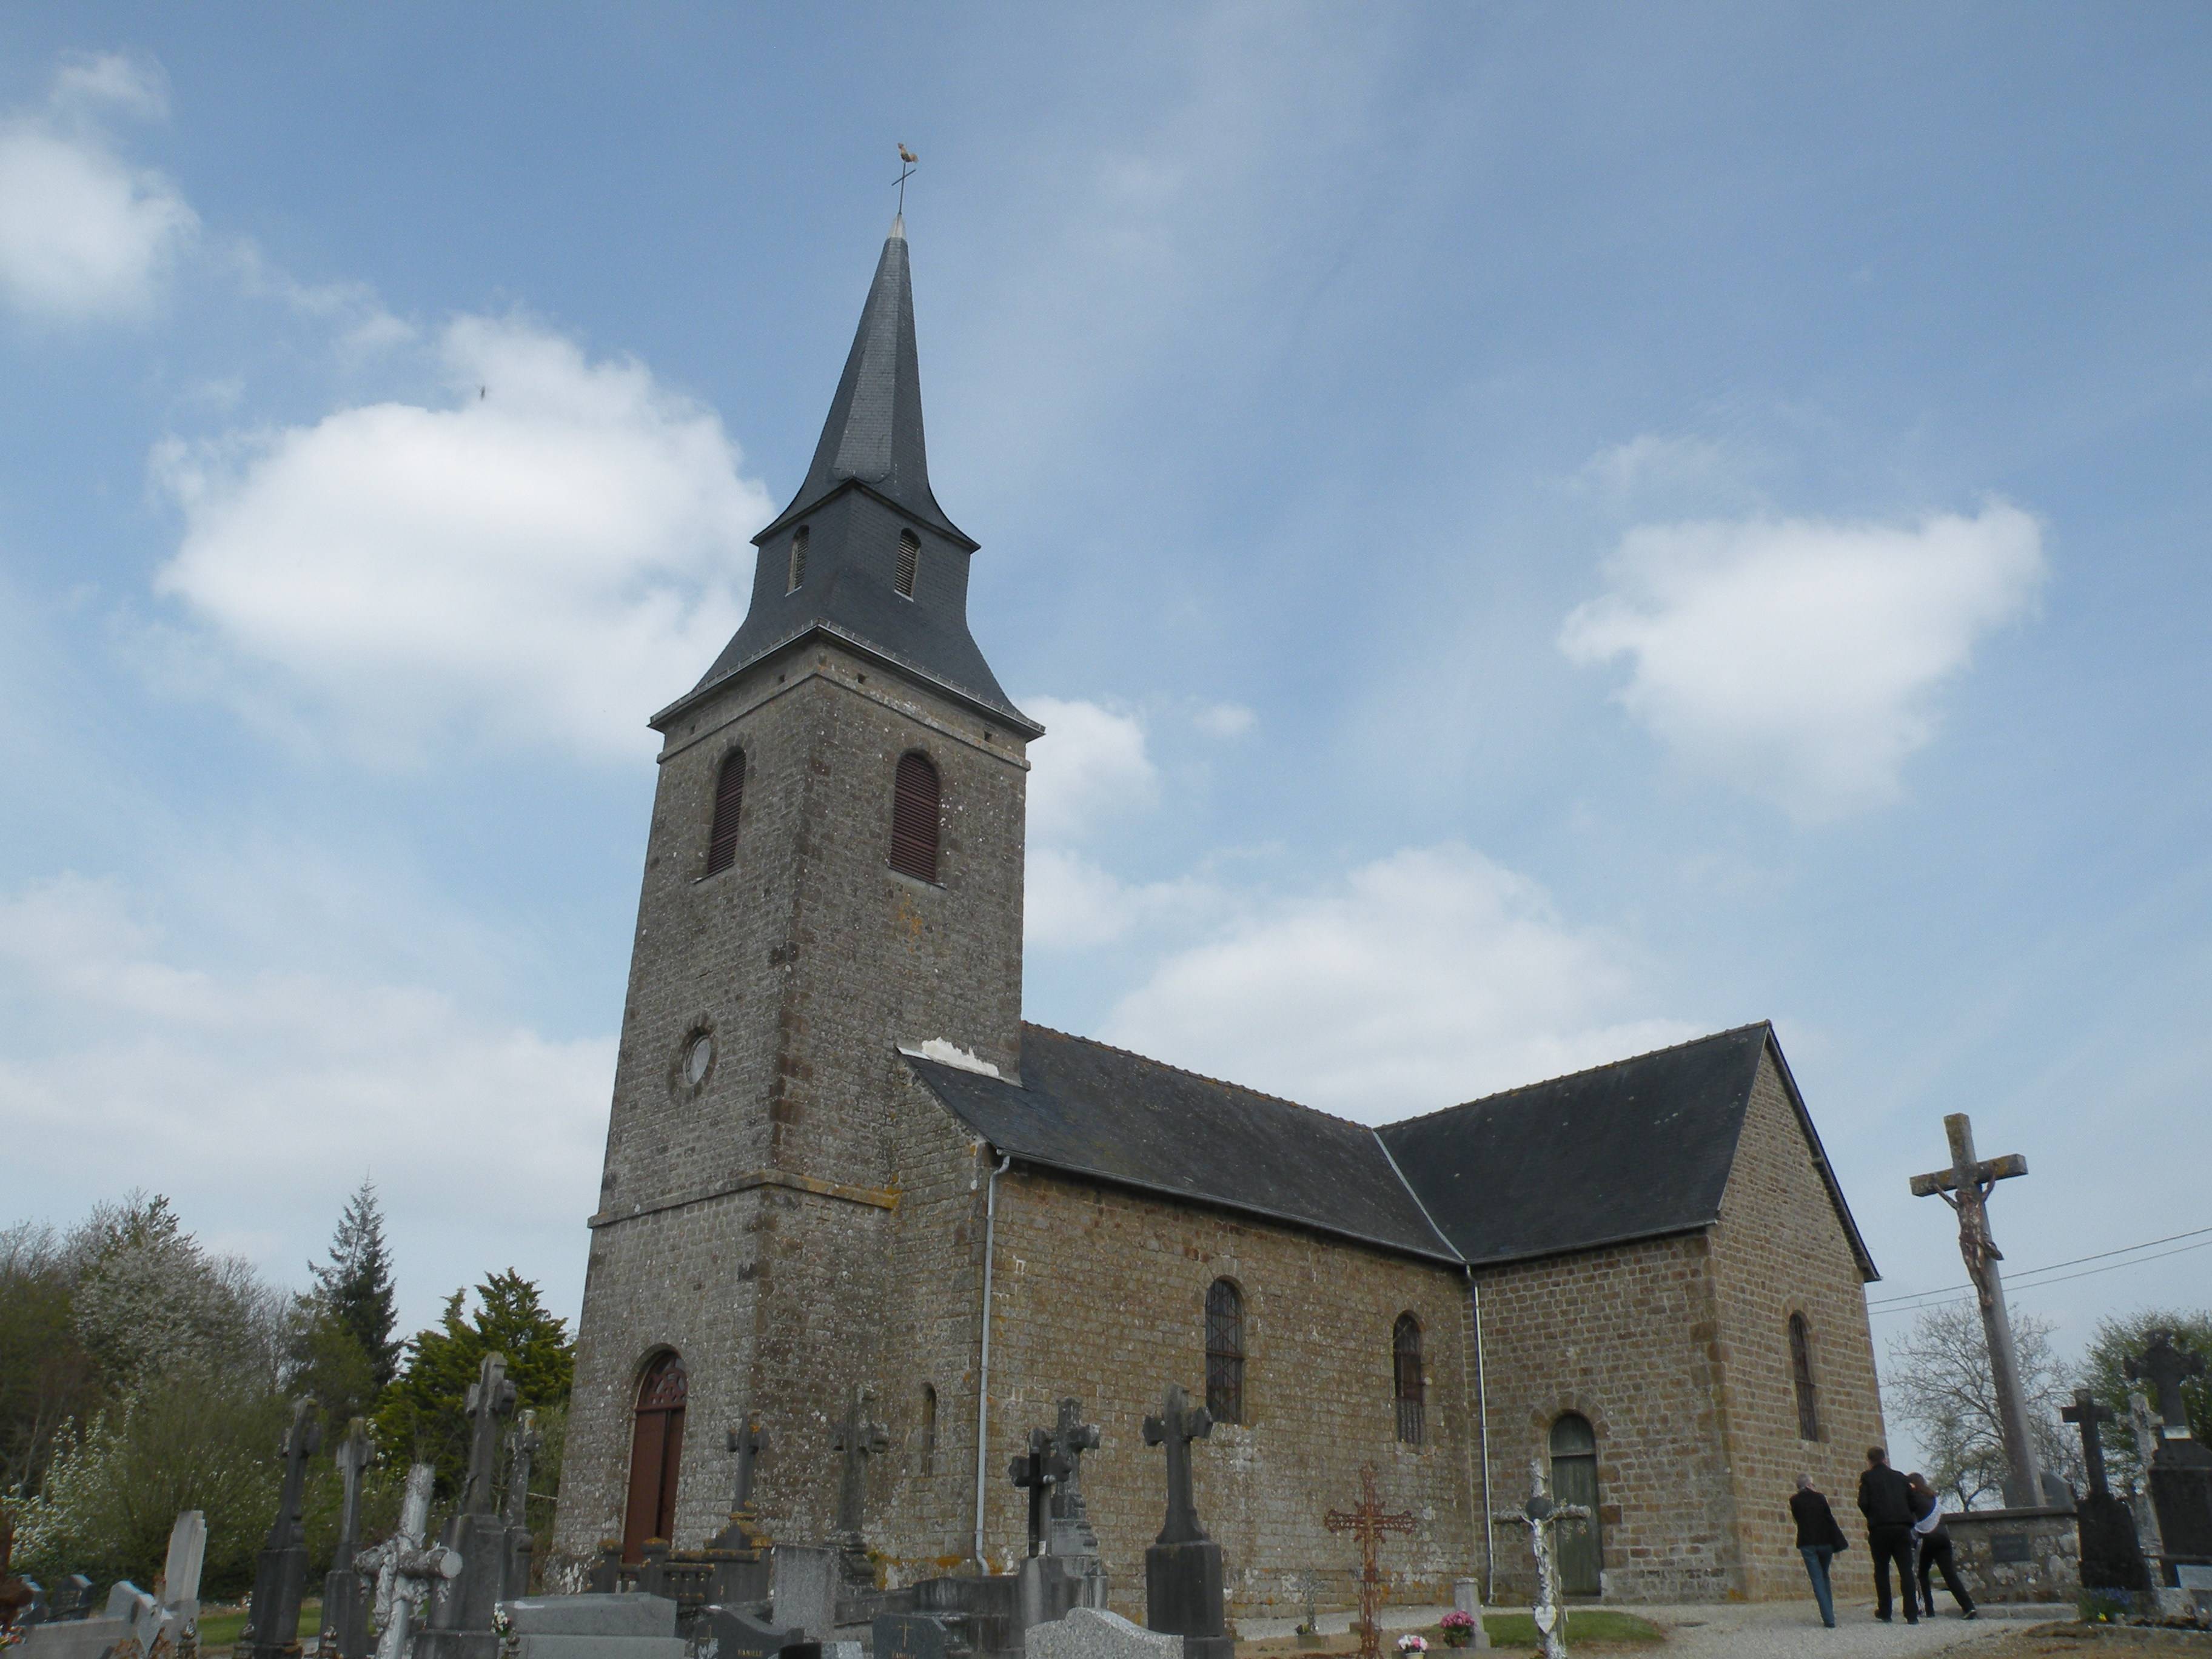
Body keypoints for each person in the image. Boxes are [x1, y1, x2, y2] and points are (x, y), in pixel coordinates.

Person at [1855, 1445, 1919, 1624]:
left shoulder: (1867, 1478)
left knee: (1882, 1570)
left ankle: (1885, 1611)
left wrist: (1873, 1515)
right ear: (1885, 1459)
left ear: (1869, 1461)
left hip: (1880, 1529)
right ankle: (1912, 1613)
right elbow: (1914, 1502)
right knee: (1906, 1570)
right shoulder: (1900, 1478)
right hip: (1902, 1528)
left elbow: (1863, 1502)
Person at [1907, 1472, 1979, 1620]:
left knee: (1922, 1574)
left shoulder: (1913, 1498)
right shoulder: (1932, 1496)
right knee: (1950, 1575)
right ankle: (1968, 1607)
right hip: (1943, 1537)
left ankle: (1929, 1609)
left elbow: (1911, 1519)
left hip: (1929, 1539)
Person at [1789, 1473, 1850, 1627]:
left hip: (1807, 1543)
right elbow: (1828, 1518)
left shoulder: (1794, 1501)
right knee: (1824, 1576)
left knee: (1817, 1580)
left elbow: (1797, 1520)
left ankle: (1829, 1618)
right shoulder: (1821, 1498)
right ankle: (1829, 1613)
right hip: (1825, 1542)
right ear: (1809, 1485)